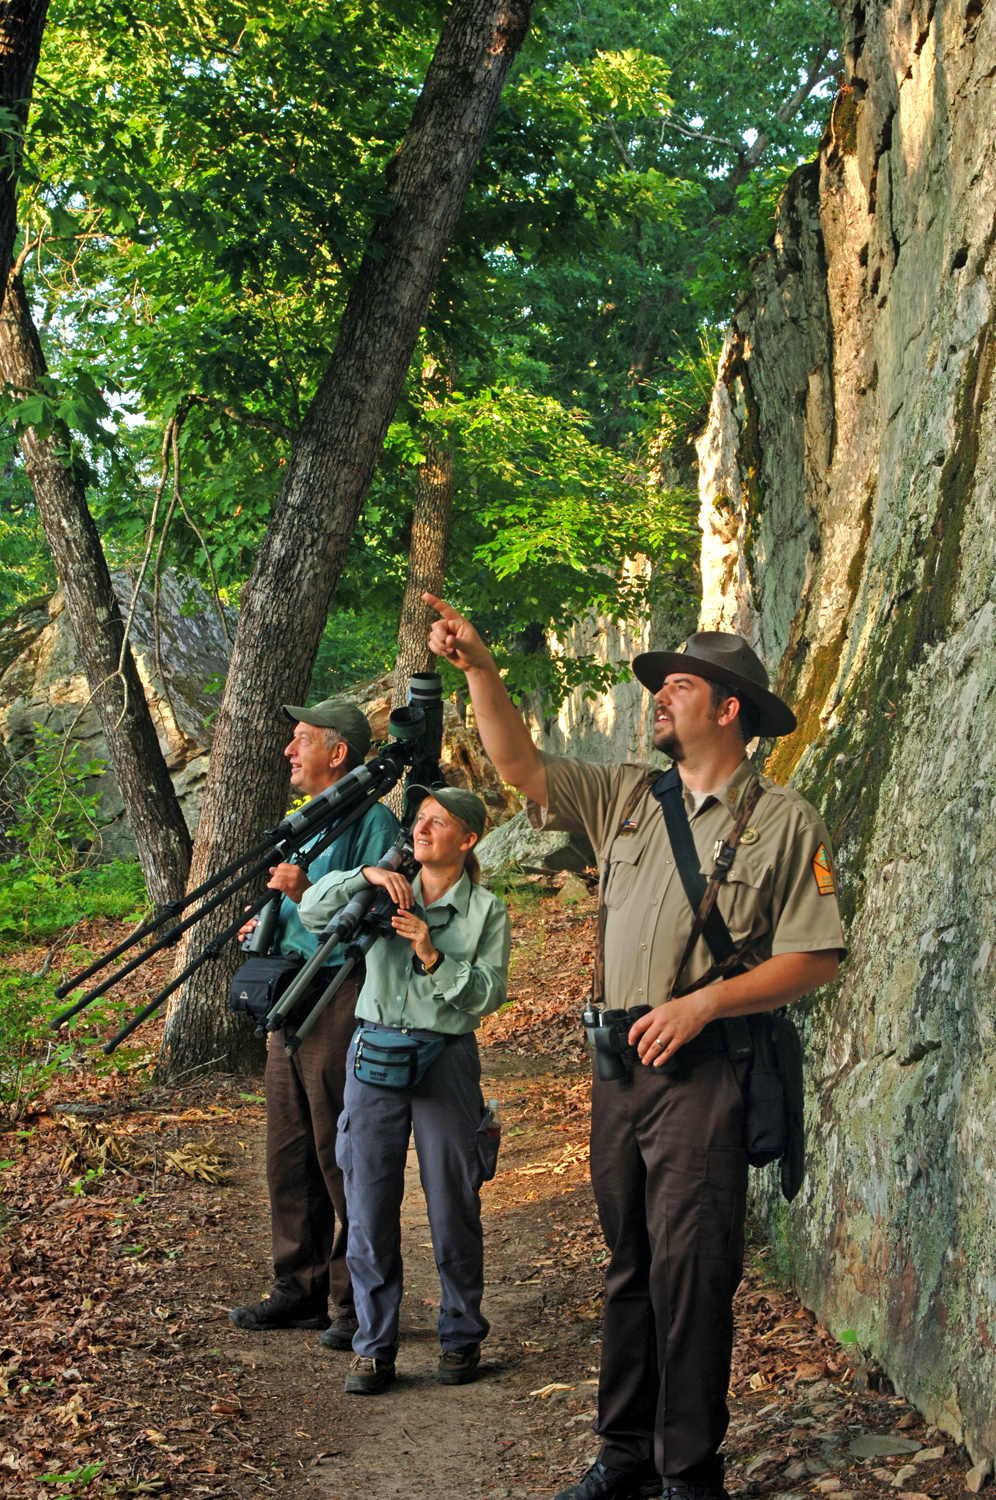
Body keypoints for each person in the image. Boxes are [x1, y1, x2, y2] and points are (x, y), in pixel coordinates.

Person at [425, 595, 846, 1500]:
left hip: (705, 1075)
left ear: (728, 709)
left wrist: (705, 1007)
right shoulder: (627, 795)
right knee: (628, 1266)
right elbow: (520, 765)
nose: (658, 698)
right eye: (659, 686)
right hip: (618, 1073)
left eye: (679, 686)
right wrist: (479, 670)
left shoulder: (783, 820)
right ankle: (623, 1457)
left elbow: (816, 956)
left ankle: (688, 1471)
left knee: (691, 1273)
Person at [298, 784, 511, 1395]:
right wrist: (365, 873)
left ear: (466, 839)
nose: (421, 830)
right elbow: (313, 911)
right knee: (366, 1204)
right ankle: (373, 1347)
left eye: (437, 822)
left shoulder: (484, 911)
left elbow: (487, 995)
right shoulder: (384, 885)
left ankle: (461, 1335)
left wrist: (429, 951)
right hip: (374, 1054)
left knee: (453, 1201)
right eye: (418, 820)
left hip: (445, 1057)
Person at [230, 700, 399, 1347]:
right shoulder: (300, 821)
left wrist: (303, 896)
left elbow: (371, 911)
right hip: (288, 995)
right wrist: (267, 918)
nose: (288, 751)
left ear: (339, 752)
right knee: (288, 1152)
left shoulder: (374, 821)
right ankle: (296, 1290)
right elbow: (291, 901)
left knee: (339, 1149)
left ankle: (356, 1303)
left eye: (301, 740)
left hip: (338, 994)